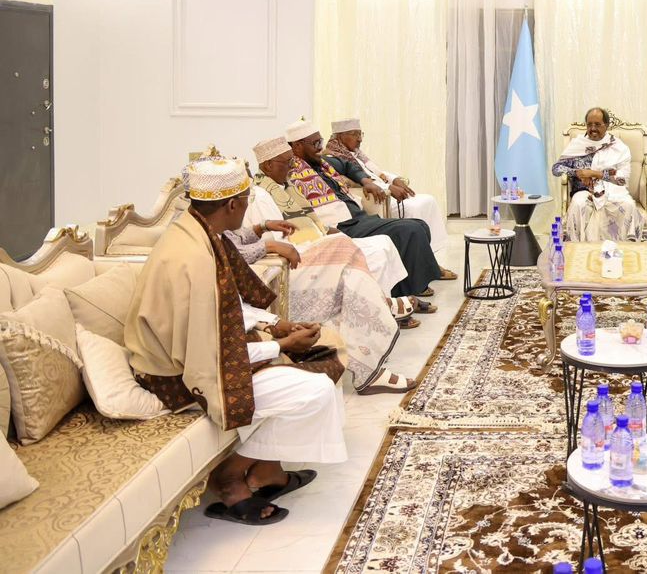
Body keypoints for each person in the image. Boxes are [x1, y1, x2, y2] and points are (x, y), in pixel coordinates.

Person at [125, 156, 348, 526]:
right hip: (178, 377)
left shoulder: (198, 233)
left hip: (201, 354)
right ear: (231, 205)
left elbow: (227, 308)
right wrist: (281, 346)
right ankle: (230, 478)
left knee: (327, 354)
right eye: (247, 200)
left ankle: (268, 471)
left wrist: (277, 325)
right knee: (316, 390)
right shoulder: (194, 259)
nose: (248, 207)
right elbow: (210, 352)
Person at [226, 137, 419, 394]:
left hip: (292, 254)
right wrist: (268, 245)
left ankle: (370, 365)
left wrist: (262, 228)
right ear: (269, 165)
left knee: (350, 271)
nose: (293, 167)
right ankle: (380, 319)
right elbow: (237, 251)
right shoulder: (259, 196)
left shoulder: (277, 189)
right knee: (344, 249)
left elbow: (237, 239)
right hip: (277, 272)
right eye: (286, 163)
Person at [285, 119, 446, 311]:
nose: (320, 147)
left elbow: (348, 166)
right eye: (315, 143)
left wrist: (366, 181)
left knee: (420, 225)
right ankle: (409, 293)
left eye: (320, 142)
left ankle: (407, 288)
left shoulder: (322, 163)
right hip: (341, 225)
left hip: (357, 217)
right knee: (410, 230)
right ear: (297, 146)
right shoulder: (291, 172)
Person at [325, 117, 453, 265]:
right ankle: (417, 259)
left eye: (360, 134)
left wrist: (394, 179)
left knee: (428, 200)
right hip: (377, 198)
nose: (359, 139)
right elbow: (356, 183)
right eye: (354, 134)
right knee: (414, 209)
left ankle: (430, 255)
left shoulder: (356, 154)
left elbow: (374, 173)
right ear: (340, 136)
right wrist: (388, 188)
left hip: (383, 189)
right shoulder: (333, 157)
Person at [552, 107, 644, 242]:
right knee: (579, 204)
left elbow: (622, 179)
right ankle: (580, 249)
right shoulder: (578, 144)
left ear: (606, 125)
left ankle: (621, 248)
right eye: (589, 124)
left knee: (628, 205)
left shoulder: (618, 147)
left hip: (612, 191)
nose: (593, 128)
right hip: (583, 190)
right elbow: (556, 169)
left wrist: (594, 173)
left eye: (597, 124)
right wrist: (578, 173)